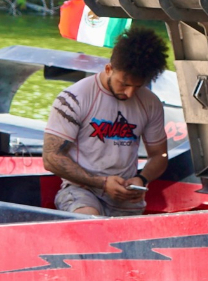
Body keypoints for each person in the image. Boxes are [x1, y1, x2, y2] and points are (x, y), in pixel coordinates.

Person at [42, 26, 170, 216]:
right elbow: (51, 158)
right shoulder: (74, 98)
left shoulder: (150, 103)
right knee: (90, 220)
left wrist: (142, 179)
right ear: (108, 69)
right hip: (81, 191)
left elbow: (160, 156)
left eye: (138, 86)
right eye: (124, 84)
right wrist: (101, 183)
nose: (130, 93)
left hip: (126, 195)